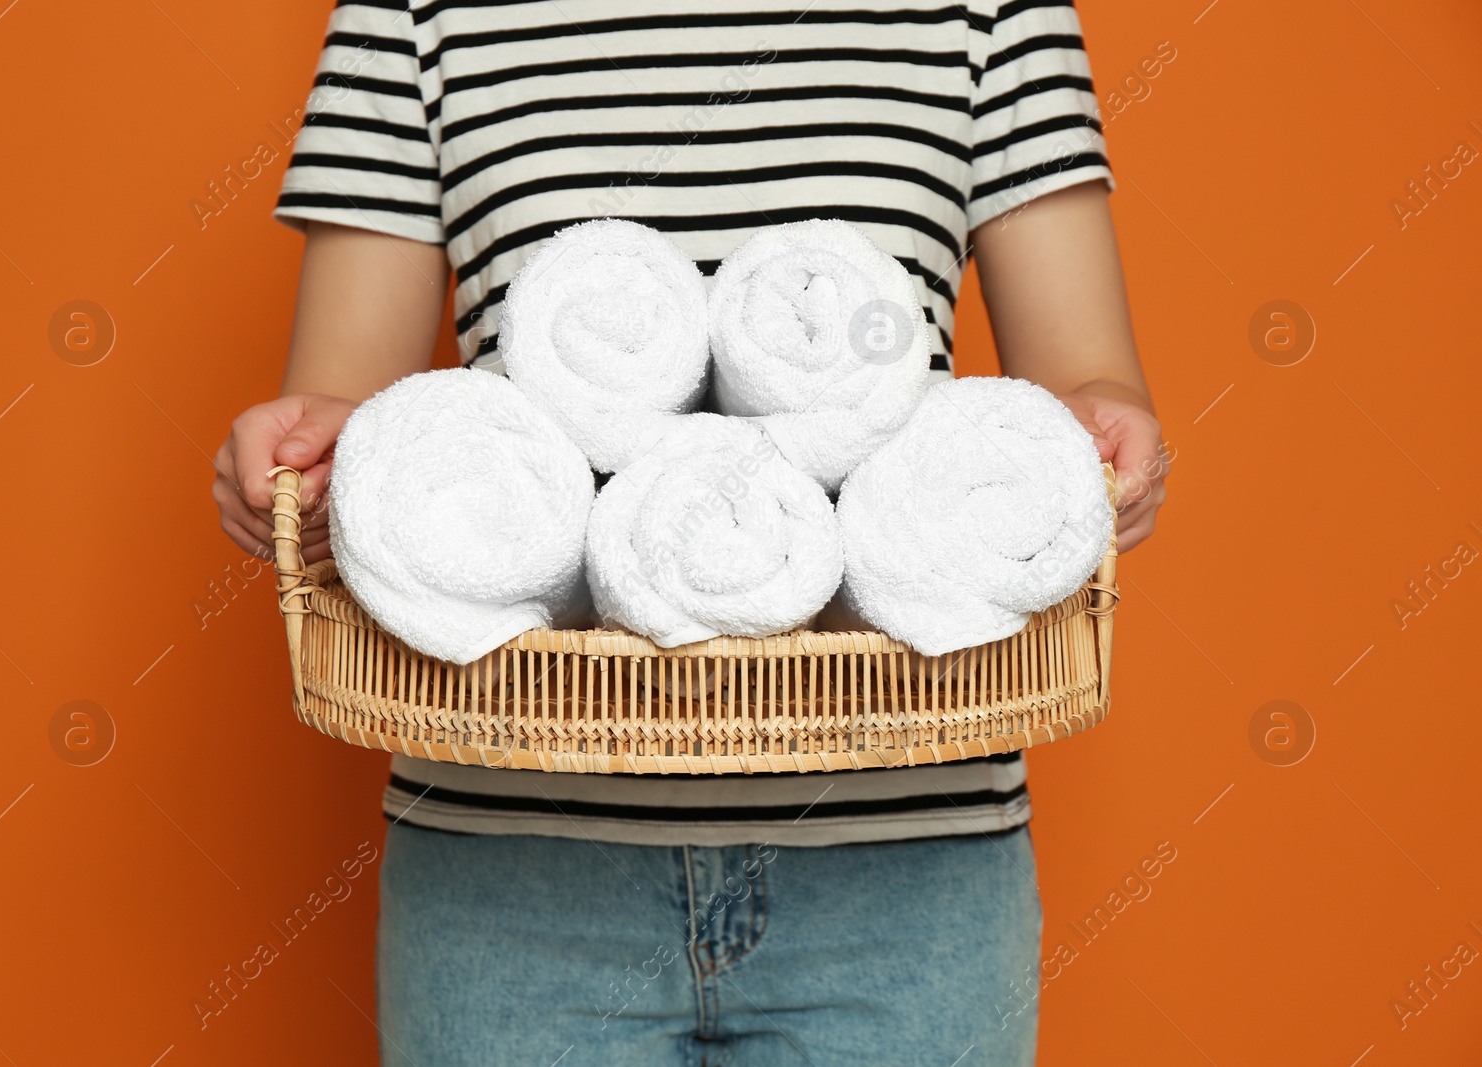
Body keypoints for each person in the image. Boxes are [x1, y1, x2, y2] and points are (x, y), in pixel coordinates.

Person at [213, 1, 1167, 1062]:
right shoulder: (415, 16)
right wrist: (306, 456)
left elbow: (1083, 384)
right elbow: (357, 411)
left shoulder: (989, 13)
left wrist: (1095, 442)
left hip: (909, 857)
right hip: (511, 861)